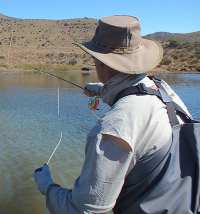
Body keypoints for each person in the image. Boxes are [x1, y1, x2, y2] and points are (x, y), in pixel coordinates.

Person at [33, 15, 195, 213]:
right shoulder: (163, 89)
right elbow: (132, 91)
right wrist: (101, 89)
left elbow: (83, 210)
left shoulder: (113, 129)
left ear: (100, 62)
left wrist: (46, 184)